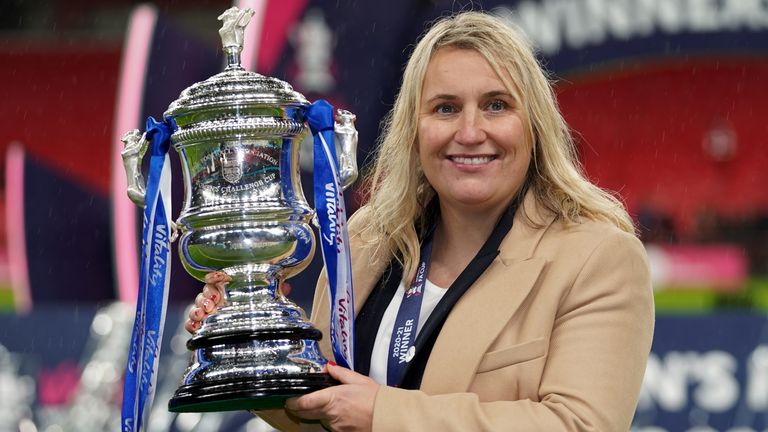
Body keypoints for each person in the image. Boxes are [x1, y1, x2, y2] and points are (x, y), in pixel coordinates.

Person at [186, 11, 654, 432]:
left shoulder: (598, 258)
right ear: (413, 129)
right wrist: (250, 348)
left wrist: (383, 415)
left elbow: (576, 425)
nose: (470, 133)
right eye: (445, 108)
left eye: (496, 105)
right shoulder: (364, 240)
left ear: (533, 125)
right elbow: (329, 415)